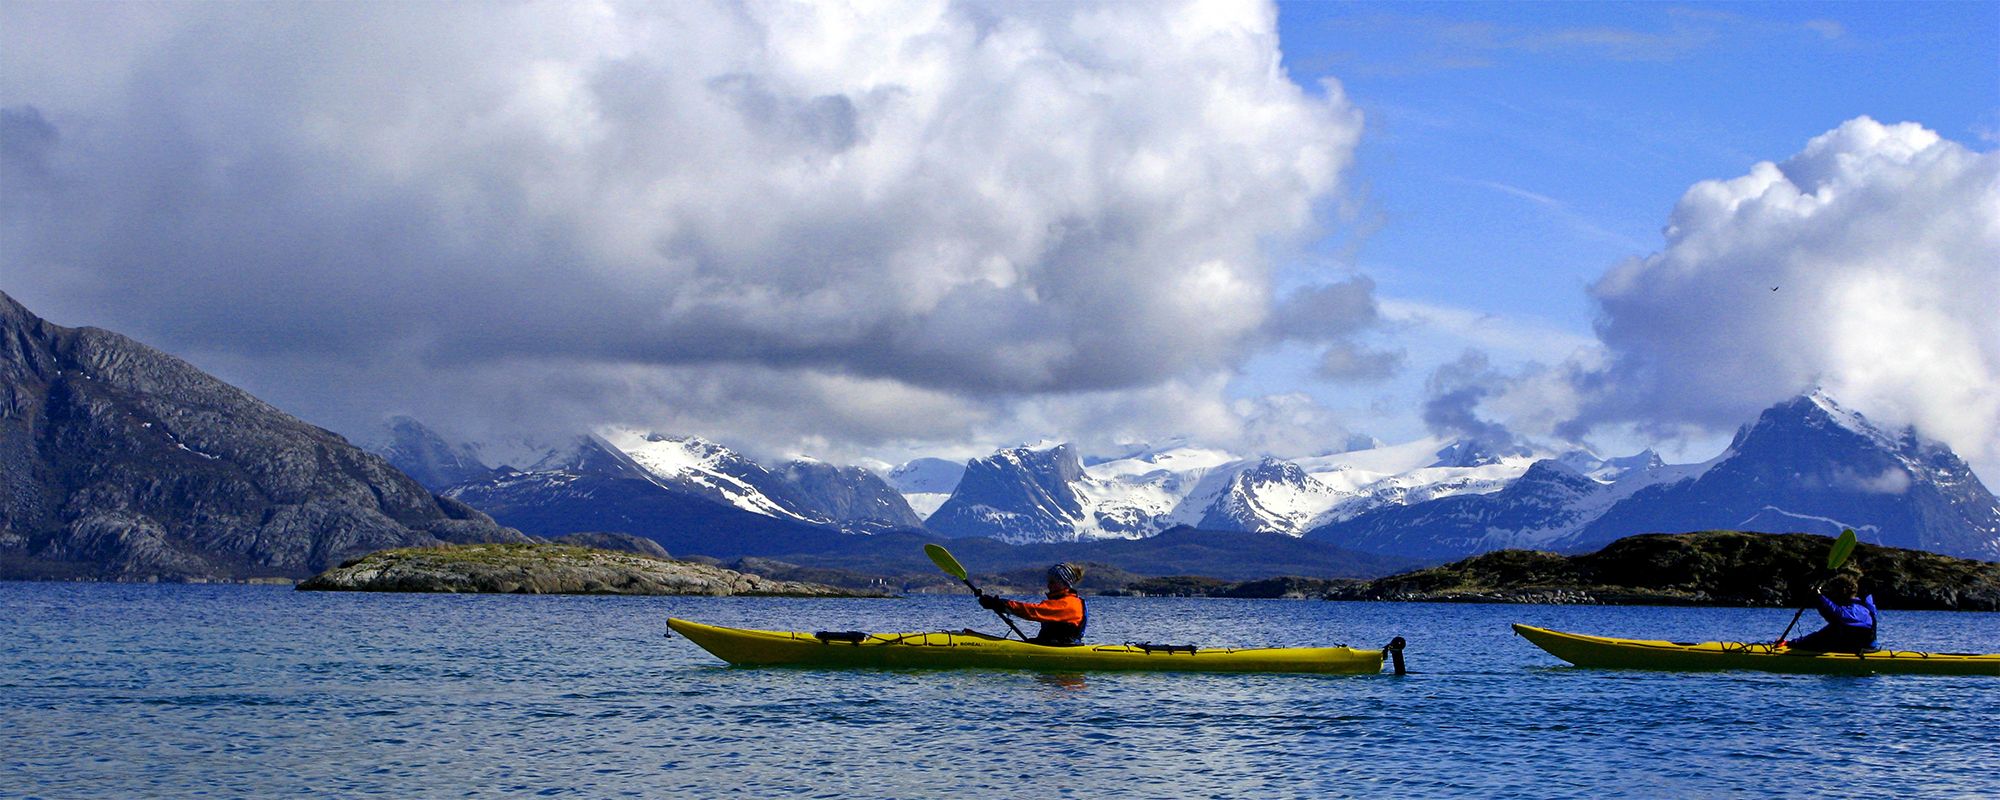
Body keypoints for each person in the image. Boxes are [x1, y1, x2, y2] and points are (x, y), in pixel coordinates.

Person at [978, 563, 1087, 646]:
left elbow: (1032, 611)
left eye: (1052, 582)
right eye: (1048, 581)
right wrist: (997, 605)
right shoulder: (1062, 602)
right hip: (1051, 645)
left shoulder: (1068, 604)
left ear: (1065, 584)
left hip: (1060, 648)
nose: (1048, 585)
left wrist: (1002, 604)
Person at [1781, 573, 1877, 652]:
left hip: (1855, 649)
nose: (1831, 594)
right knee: (1833, 630)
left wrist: (1818, 596)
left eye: (1833, 591)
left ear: (1842, 591)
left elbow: (1834, 614)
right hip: (1867, 648)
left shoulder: (1849, 613)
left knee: (1833, 630)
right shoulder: (1864, 606)